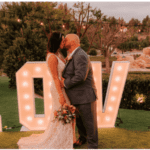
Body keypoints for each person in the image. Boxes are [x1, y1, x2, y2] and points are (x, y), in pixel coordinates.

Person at [17, 32, 76, 149]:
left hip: (61, 86)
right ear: (57, 42)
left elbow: (62, 72)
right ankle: (59, 139)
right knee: (63, 111)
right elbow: (55, 77)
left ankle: (66, 138)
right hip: (57, 89)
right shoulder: (52, 57)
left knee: (65, 111)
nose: (64, 42)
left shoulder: (58, 54)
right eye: (63, 40)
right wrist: (60, 94)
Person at [60, 34, 98, 149]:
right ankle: (82, 138)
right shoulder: (73, 54)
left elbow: (81, 76)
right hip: (76, 96)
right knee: (80, 121)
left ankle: (93, 145)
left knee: (89, 122)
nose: (63, 42)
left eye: (65, 40)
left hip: (85, 96)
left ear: (72, 42)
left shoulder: (80, 55)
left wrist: (65, 83)